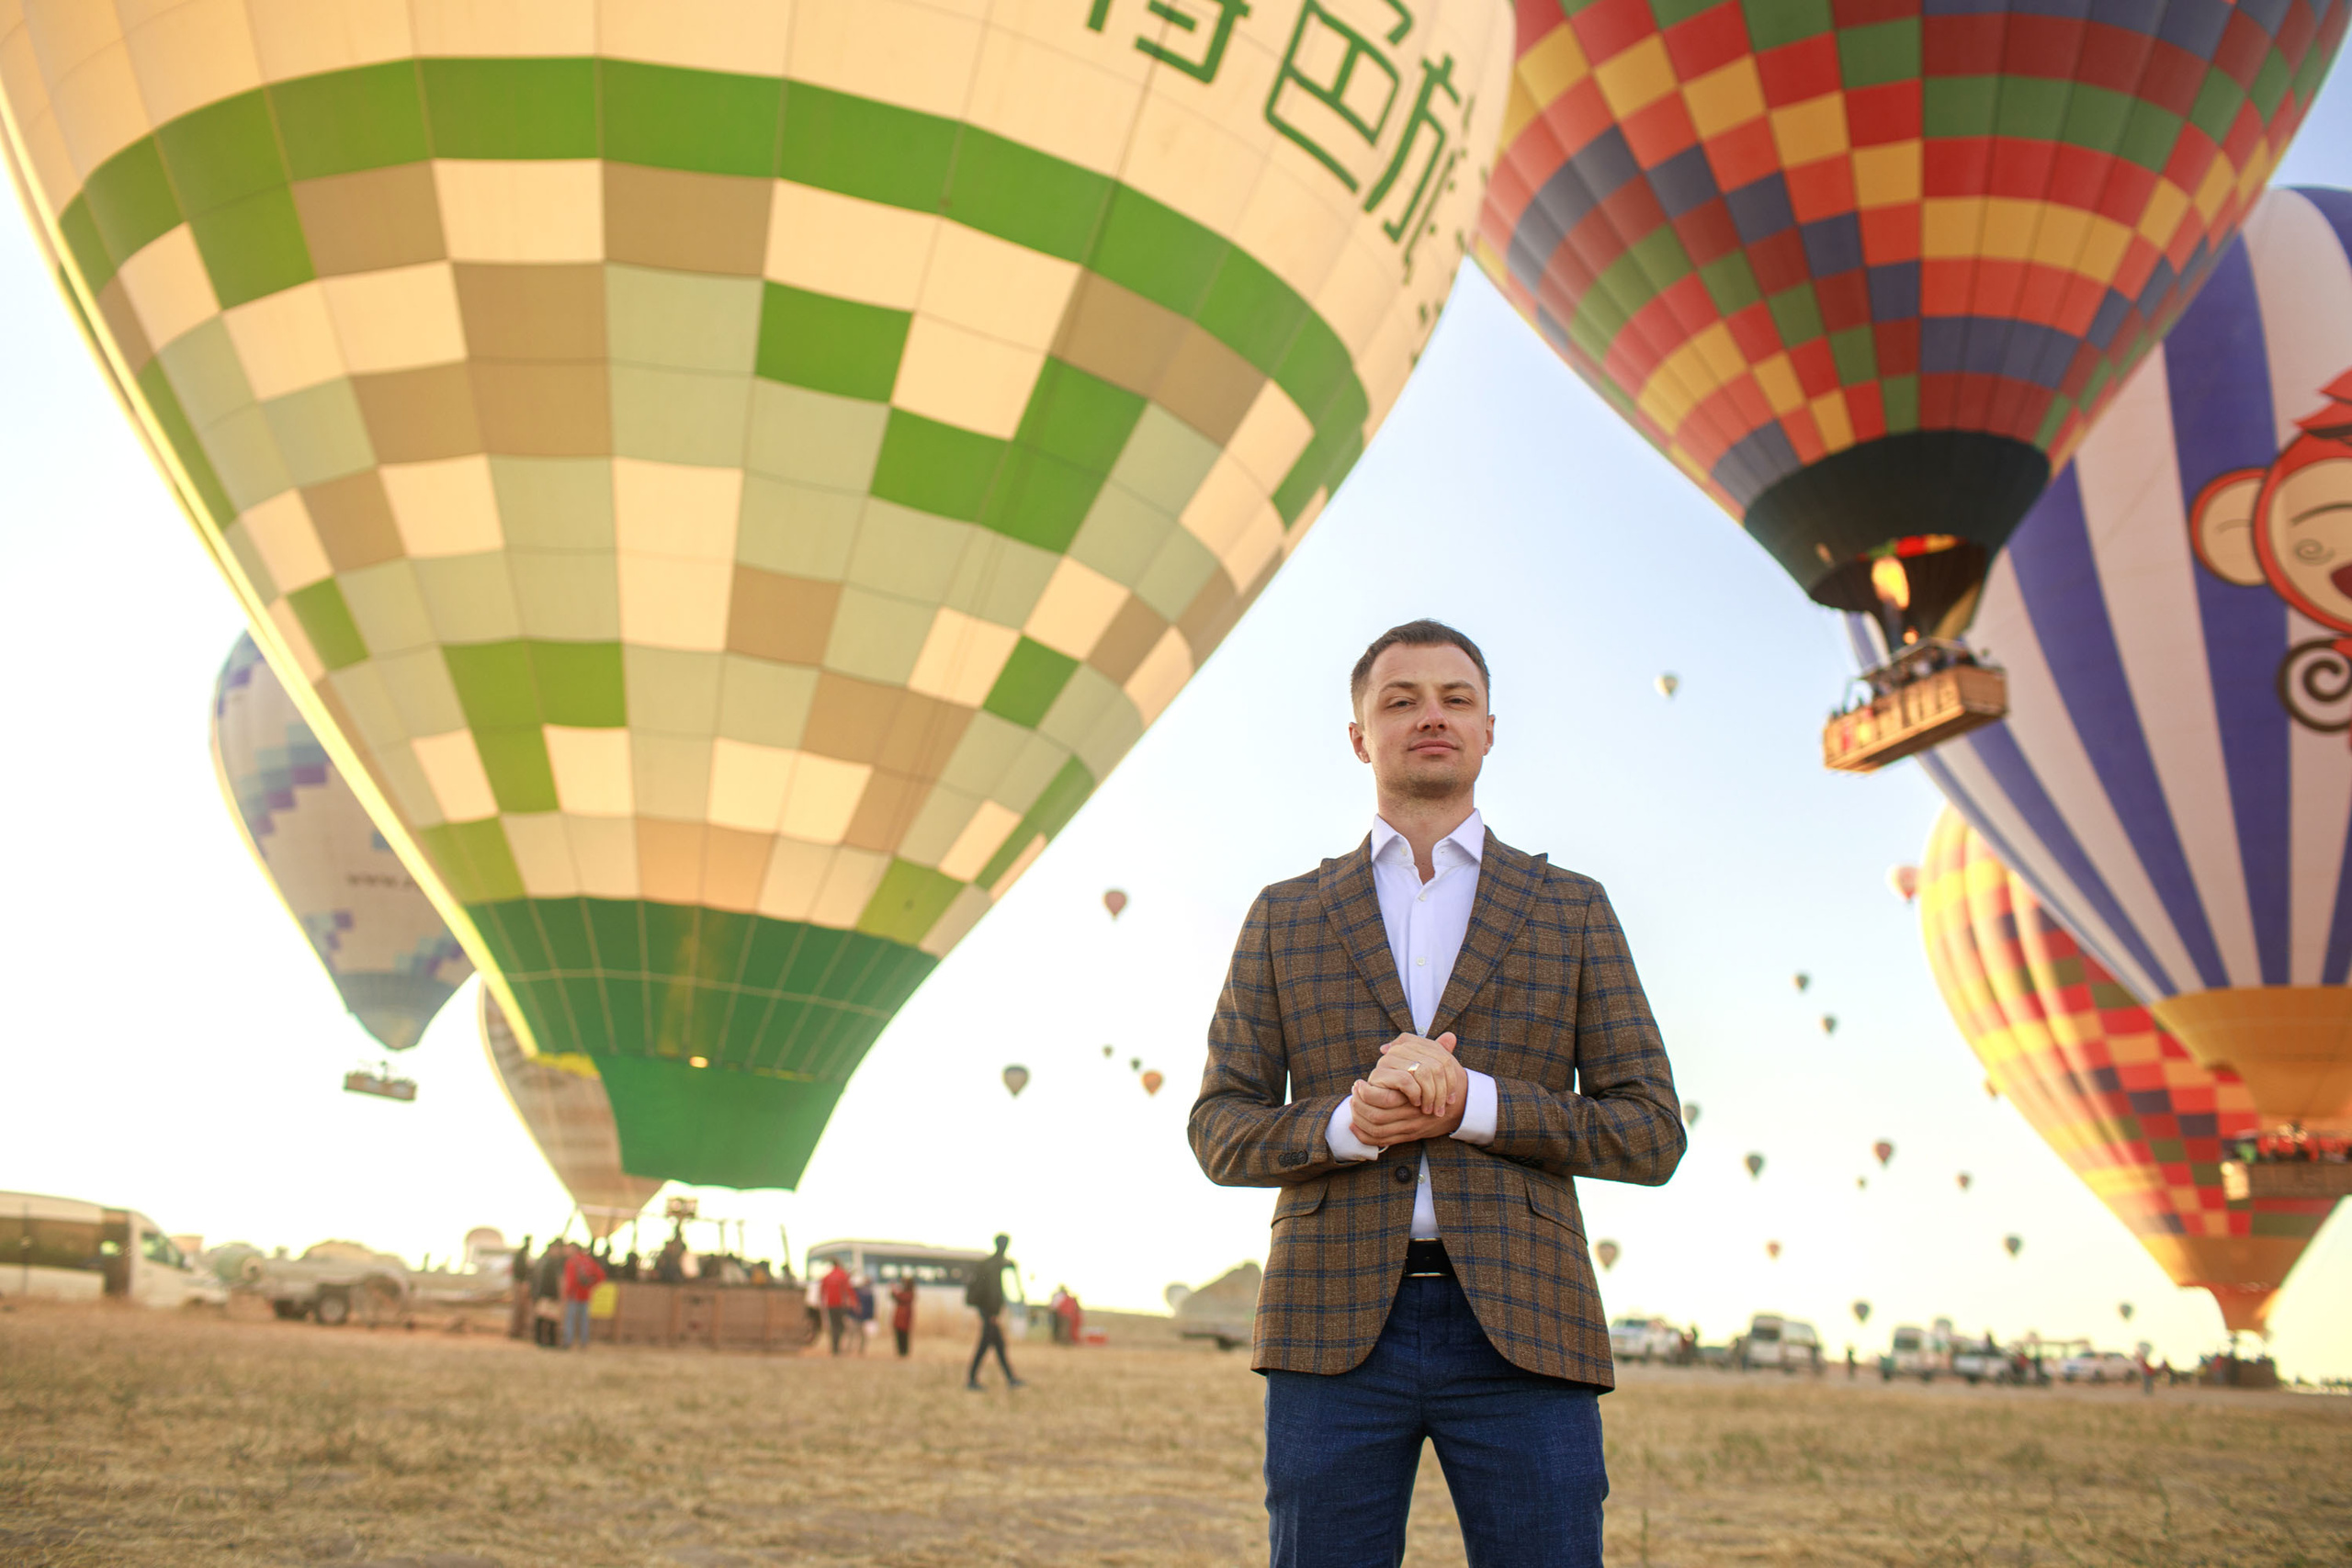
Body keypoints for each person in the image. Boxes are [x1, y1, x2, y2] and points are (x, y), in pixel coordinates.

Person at [1189, 620, 1684, 1568]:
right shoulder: (1284, 915)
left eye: (1456, 699)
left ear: (1489, 729)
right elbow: (1219, 1127)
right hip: (1328, 1326)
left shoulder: (1571, 907)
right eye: (1400, 700)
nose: (1431, 716)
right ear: (1358, 736)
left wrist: (1476, 1107)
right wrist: (1343, 1123)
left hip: (1527, 1325)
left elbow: (1651, 1130)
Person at [965, 1234, 1023, 1390]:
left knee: (998, 1346)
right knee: (985, 1346)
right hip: (990, 1313)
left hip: (988, 1312)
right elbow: (993, 1292)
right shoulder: (995, 1265)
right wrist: (993, 1313)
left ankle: (1010, 1378)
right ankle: (972, 1380)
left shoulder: (992, 1263)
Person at [561, 1242, 605, 1350]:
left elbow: (571, 1280)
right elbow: (601, 1275)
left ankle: (568, 1341)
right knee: (584, 1320)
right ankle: (584, 1342)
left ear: (574, 1249)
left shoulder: (571, 1261)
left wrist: (567, 1293)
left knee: (570, 1319)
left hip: (574, 1295)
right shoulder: (588, 1260)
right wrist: (590, 1287)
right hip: (585, 1295)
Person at [531, 1240, 567, 1348]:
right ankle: (541, 1340)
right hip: (545, 1294)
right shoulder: (547, 1262)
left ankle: (549, 1341)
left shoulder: (550, 1262)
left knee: (551, 1318)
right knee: (543, 1317)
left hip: (548, 1294)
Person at [820, 1260, 854, 1355]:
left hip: (830, 1304)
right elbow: (848, 1290)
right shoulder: (843, 1275)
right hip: (840, 1305)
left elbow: (822, 1291)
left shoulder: (827, 1276)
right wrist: (852, 1302)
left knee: (833, 1326)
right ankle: (837, 1347)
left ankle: (834, 1347)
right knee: (840, 1327)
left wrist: (822, 1302)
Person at [506, 1235, 533, 1341]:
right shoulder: (522, 1254)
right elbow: (520, 1270)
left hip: (520, 1283)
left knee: (520, 1309)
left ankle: (517, 1331)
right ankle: (515, 1331)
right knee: (518, 1308)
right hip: (520, 1283)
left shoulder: (523, 1254)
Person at [891, 1276, 918, 1358]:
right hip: (902, 1318)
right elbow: (895, 1297)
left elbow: (899, 1297)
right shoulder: (907, 1293)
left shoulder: (908, 1294)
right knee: (900, 1335)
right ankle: (901, 1352)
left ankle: (903, 1352)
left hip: (904, 1318)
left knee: (903, 1335)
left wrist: (895, 1290)